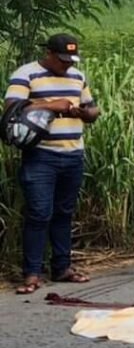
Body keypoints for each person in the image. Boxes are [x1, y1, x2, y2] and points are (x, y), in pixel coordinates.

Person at [5, 34, 100, 294]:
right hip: (41, 155)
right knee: (39, 213)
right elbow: (12, 108)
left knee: (64, 213)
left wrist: (85, 113)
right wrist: (52, 105)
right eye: (62, 60)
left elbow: (93, 110)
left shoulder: (77, 77)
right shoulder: (27, 74)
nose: (66, 65)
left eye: (70, 60)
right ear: (48, 53)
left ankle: (62, 267)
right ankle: (32, 272)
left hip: (73, 153)